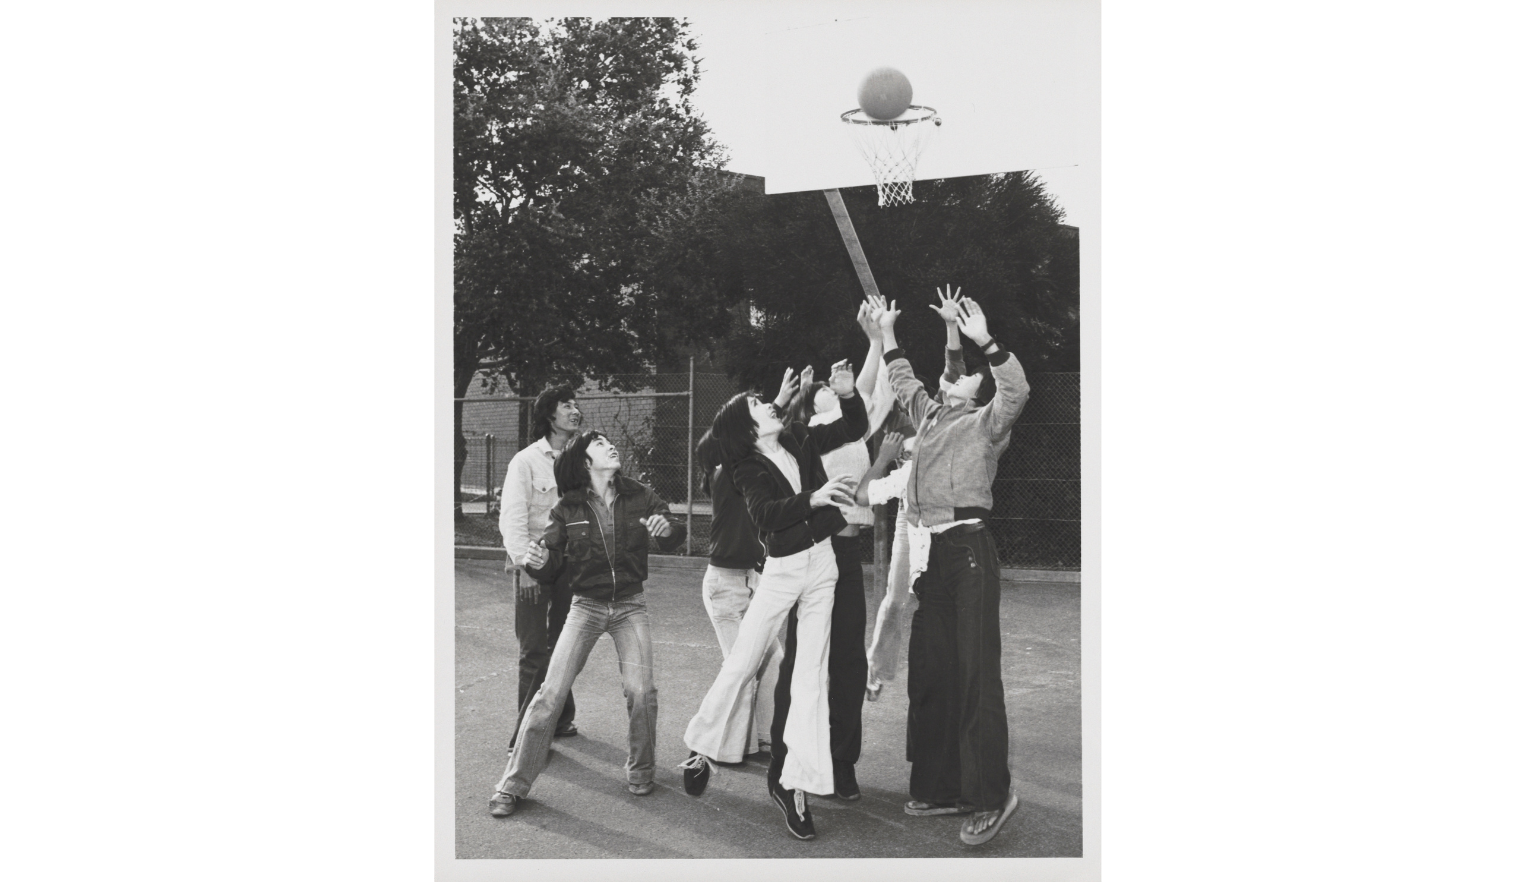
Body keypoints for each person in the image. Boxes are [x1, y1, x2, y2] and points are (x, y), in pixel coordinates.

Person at [679, 357, 867, 842]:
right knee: (742, 664)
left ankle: (794, 785)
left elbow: (854, 426)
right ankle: (702, 745)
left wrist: (847, 392)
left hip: (822, 565)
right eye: (760, 404)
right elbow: (765, 515)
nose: (771, 404)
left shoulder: (800, 437)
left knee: (808, 679)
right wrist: (815, 499)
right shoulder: (743, 467)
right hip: (782, 571)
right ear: (746, 427)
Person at [870, 286, 1031, 846]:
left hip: (968, 552)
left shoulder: (986, 423)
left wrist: (983, 338)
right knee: (932, 671)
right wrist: (888, 333)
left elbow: (1016, 389)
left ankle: (991, 794)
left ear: (973, 389)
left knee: (975, 674)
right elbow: (903, 379)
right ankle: (942, 787)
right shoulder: (929, 412)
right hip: (930, 556)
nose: (953, 373)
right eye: (952, 371)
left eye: (963, 373)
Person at [488, 430, 687, 817]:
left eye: (611, 441)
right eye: (599, 444)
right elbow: (550, 564)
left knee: (641, 691)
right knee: (550, 694)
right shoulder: (567, 509)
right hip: (586, 607)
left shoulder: (640, 494)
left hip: (630, 605)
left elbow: (672, 533)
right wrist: (539, 564)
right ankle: (513, 784)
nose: (611, 445)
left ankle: (642, 769)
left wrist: (669, 531)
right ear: (584, 462)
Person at [780, 302, 896, 800]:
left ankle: (841, 762)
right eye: (825, 386)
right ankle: (793, 760)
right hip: (815, 553)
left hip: (849, 557)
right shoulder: (814, 438)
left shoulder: (848, 423)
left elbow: (864, 392)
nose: (835, 383)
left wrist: (874, 339)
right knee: (806, 662)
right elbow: (856, 404)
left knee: (848, 663)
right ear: (811, 404)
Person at [692, 364, 800, 762]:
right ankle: (722, 747)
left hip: (755, 581)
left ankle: (768, 739)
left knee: (772, 661)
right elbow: (728, 438)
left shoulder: (756, 470)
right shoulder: (726, 472)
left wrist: (778, 405)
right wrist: (776, 402)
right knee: (743, 668)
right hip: (724, 587)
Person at [861, 299, 968, 703]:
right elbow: (897, 375)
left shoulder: (953, 415)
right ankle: (877, 671)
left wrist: (951, 325)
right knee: (895, 599)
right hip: (913, 517)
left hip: (949, 518)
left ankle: (952, 676)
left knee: (947, 602)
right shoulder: (901, 418)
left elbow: (954, 367)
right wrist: (883, 334)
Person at [498, 384, 582, 744]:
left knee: (564, 644)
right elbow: (512, 521)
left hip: (571, 565)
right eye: (567, 405)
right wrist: (524, 569)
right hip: (533, 561)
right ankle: (526, 736)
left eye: (577, 404)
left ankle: (560, 717)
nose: (575, 410)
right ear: (550, 414)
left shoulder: (581, 461)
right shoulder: (526, 461)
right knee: (534, 650)